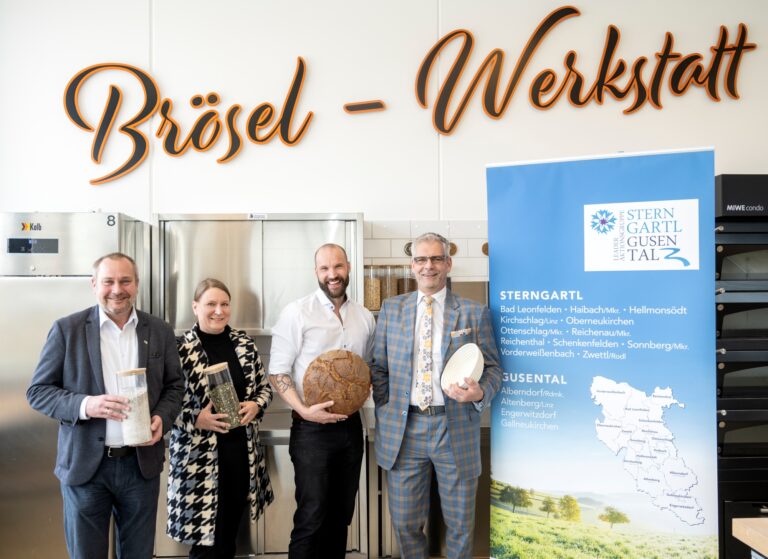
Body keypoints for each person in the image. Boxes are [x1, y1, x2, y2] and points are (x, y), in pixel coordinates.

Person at [26, 252, 184, 559]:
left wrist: (162, 419)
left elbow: (174, 387)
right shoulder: (67, 330)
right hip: (86, 468)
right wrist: (87, 405)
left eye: (125, 281)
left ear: (136, 284)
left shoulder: (159, 331)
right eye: (108, 281)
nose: (117, 289)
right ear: (94, 284)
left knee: (138, 554)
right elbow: (38, 392)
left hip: (140, 466)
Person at [370, 232, 503, 559]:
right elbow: (377, 366)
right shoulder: (392, 309)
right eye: (421, 259)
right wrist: (389, 407)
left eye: (436, 259)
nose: (428, 266)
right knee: (404, 522)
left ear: (448, 263)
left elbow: (494, 368)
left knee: (459, 524)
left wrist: (479, 391)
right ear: (412, 265)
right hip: (405, 430)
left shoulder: (474, 312)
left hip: (453, 429)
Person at [269, 243, 375, 559]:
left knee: (341, 517)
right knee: (311, 517)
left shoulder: (364, 316)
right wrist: (303, 410)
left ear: (349, 268)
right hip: (310, 430)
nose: (333, 275)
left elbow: (365, 368)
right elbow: (277, 372)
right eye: (325, 269)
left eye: (338, 267)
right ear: (316, 272)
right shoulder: (297, 312)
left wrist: (365, 387)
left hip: (350, 430)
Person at [166, 278, 274, 558]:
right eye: (211, 304)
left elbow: (264, 388)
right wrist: (195, 419)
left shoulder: (244, 344)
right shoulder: (179, 349)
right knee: (204, 546)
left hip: (239, 455)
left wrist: (255, 406)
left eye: (224, 304)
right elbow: (162, 404)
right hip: (197, 461)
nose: (219, 311)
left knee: (227, 538)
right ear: (195, 307)